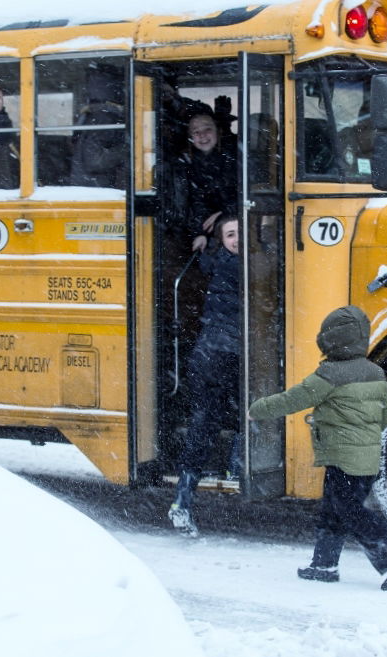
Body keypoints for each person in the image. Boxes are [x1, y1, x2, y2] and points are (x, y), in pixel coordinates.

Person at [247, 305, 387, 591]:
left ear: (329, 339)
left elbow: (294, 399)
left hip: (342, 457)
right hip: (366, 458)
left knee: (349, 510)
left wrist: (258, 409)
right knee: (334, 509)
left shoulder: (330, 373)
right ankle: (324, 564)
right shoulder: (376, 372)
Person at [168, 215, 242, 538]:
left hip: (208, 353)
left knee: (204, 422)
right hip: (224, 355)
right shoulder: (238, 267)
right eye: (230, 234)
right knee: (243, 413)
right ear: (222, 240)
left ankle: (183, 498)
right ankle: (236, 467)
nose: (237, 239)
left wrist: (203, 243)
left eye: (241, 233)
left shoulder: (213, 262)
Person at [175, 105, 238, 253]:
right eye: (196, 132)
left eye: (207, 129)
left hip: (236, 228)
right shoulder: (187, 164)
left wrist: (226, 213)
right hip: (207, 232)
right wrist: (200, 233)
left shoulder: (236, 157)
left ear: (218, 131)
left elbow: (250, 195)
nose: (202, 135)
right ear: (190, 138)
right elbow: (196, 201)